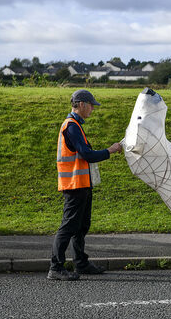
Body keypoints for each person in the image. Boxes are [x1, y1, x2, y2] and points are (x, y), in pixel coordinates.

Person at [47, 89, 122, 281]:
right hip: (74, 185)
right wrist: (110, 151)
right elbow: (86, 155)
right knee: (69, 226)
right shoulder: (71, 126)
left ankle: (81, 263)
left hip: (82, 184)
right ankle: (55, 267)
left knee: (81, 226)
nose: (92, 109)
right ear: (81, 104)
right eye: (91, 105)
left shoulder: (76, 125)